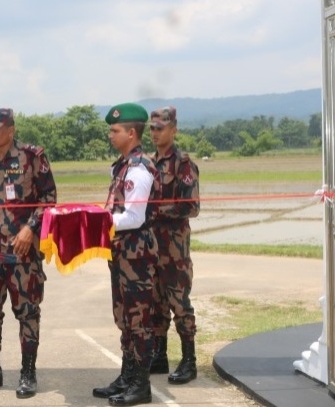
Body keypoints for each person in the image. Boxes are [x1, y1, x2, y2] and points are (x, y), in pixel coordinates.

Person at [0, 108, 56, 399]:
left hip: (22, 252)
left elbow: (48, 199)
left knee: (27, 313)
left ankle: (28, 373)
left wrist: (31, 229)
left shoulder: (32, 158)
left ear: (11, 130)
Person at [91, 103, 161, 406]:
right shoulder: (121, 166)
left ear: (131, 133)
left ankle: (140, 385)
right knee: (124, 318)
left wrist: (95, 222)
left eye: (115, 130)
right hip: (121, 253)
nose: (110, 134)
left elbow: (133, 217)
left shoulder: (139, 168)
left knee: (139, 321)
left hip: (137, 255)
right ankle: (127, 376)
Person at [148, 106, 200, 384]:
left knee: (179, 303)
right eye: (152, 128)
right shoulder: (148, 163)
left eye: (161, 128)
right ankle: (159, 355)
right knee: (156, 303)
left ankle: (189, 361)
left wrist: (154, 210)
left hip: (175, 249)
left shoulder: (183, 163)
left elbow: (191, 206)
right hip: (152, 246)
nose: (155, 133)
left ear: (174, 129)